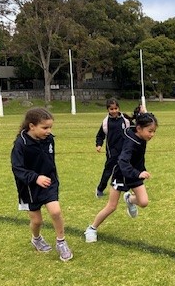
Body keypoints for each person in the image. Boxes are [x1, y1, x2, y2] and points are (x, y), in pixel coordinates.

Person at [84, 112, 158, 242]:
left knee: (144, 202)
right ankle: (92, 228)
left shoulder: (140, 135)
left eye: (154, 131)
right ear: (139, 128)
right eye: (150, 131)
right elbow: (123, 162)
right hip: (121, 176)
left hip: (134, 174)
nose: (152, 134)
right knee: (112, 206)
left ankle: (129, 199)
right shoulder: (130, 143)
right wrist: (138, 173)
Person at [11, 107, 73, 262]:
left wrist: (50, 177)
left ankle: (61, 242)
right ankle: (36, 238)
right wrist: (35, 178)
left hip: (49, 182)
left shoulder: (49, 139)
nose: (49, 131)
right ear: (32, 126)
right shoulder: (21, 143)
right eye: (45, 128)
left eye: (50, 127)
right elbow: (17, 168)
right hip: (29, 187)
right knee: (37, 221)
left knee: (56, 212)